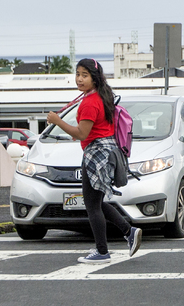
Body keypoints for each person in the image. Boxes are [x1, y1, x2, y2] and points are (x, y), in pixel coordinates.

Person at [47, 58, 142, 264]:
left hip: (96, 155)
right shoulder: (99, 96)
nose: (79, 79)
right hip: (104, 151)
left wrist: (57, 121)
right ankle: (129, 231)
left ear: (94, 78)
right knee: (96, 201)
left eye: (85, 75)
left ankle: (102, 251)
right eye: (78, 74)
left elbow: (82, 133)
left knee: (92, 204)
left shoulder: (90, 102)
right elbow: (91, 130)